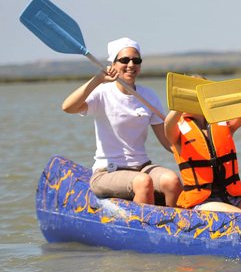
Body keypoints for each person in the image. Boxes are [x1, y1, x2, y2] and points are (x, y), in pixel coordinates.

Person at [61, 38, 182, 206]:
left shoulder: (149, 96)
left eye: (136, 60)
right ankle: (142, 229)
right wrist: (97, 80)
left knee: (172, 181)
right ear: (113, 64)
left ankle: (175, 227)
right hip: (108, 171)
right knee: (143, 182)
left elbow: (167, 141)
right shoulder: (102, 93)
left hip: (142, 167)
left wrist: (191, 151)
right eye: (124, 60)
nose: (131, 65)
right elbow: (68, 107)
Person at [164, 101, 241, 213]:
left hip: (233, 197)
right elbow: (168, 123)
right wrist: (181, 102)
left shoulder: (223, 124)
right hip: (202, 203)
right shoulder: (176, 133)